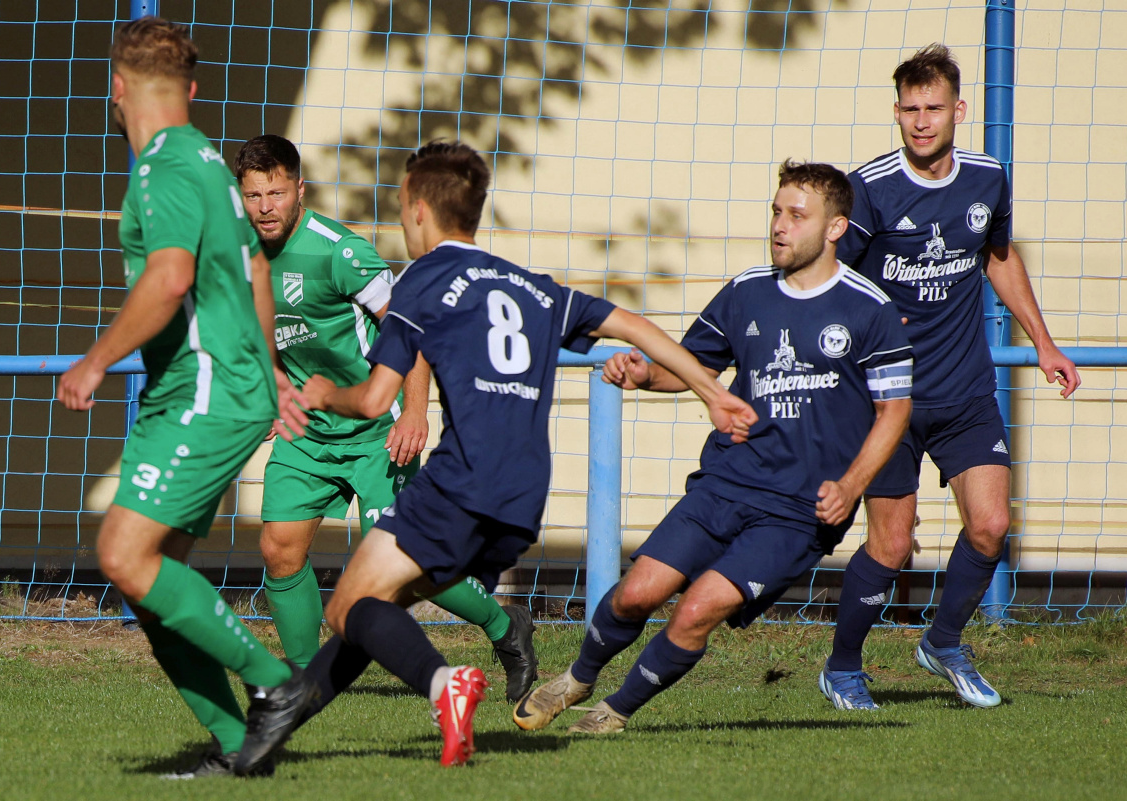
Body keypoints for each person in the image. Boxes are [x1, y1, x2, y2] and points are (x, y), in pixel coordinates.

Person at [232, 140, 757, 771]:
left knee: (352, 604)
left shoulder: (420, 283)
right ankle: (279, 726)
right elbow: (632, 326)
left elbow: (375, 401)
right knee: (378, 605)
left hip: (458, 480)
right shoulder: (531, 286)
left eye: (402, 209)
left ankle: (441, 686)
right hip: (522, 497)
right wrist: (711, 392)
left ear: (418, 211)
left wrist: (324, 393)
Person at [511, 161, 913, 734]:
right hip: (726, 481)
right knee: (634, 595)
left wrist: (850, 488)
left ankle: (615, 712)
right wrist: (644, 374)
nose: (779, 225)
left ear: (835, 229)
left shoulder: (867, 308)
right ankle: (577, 677)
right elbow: (694, 367)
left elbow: (894, 410)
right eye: (777, 211)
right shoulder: (747, 292)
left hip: (798, 510)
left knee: (697, 610)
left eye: (797, 216)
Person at [56, 17, 317, 779]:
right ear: (191, 89)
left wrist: (96, 360)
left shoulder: (162, 166)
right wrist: (268, 365)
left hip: (202, 390)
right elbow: (259, 273)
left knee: (121, 551)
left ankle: (275, 683)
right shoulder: (208, 159)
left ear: (118, 88)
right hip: (218, 386)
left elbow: (168, 279)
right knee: (152, 576)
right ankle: (239, 745)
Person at [819, 43, 1081, 711]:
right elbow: (830, 278)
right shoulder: (869, 188)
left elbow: (998, 257)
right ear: (898, 112)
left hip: (965, 388)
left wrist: (1043, 343)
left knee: (992, 524)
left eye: (934, 107)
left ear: (958, 109)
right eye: (910, 108)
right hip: (889, 400)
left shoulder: (988, 178)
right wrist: (865, 332)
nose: (922, 121)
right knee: (893, 543)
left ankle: (943, 641)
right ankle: (843, 666)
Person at [234, 135, 537, 701]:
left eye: (276, 192)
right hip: (311, 429)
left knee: (402, 565)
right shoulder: (240, 253)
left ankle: (504, 626)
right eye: (253, 195)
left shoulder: (338, 252)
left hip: (378, 429)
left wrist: (416, 412)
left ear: (300, 189)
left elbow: (411, 327)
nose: (265, 206)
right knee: (278, 546)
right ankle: (309, 681)